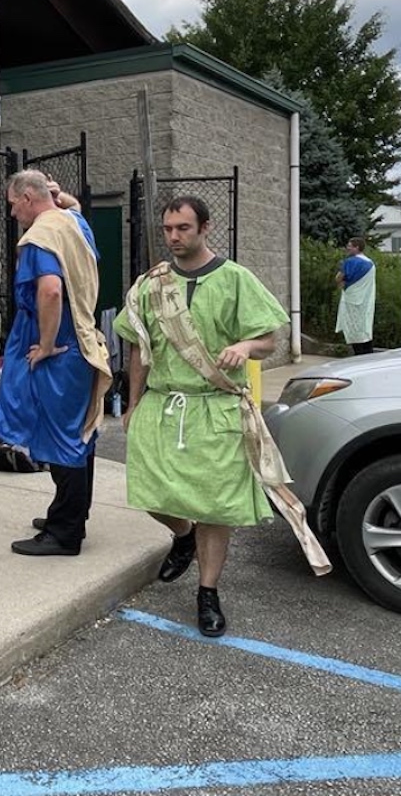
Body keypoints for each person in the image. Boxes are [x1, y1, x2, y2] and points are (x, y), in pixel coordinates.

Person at [116, 196, 327, 638]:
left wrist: (246, 347)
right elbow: (139, 347)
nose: (174, 237)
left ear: (205, 228)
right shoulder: (151, 284)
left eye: (183, 229)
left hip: (216, 405)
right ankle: (182, 535)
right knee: (150, 493)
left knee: (215, 508)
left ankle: (207, 592)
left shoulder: (235, 279)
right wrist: (133, 404)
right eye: (168, 229)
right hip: (163, 403)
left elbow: (268, 338)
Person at [0, 169, 111, 557]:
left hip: (60, 349)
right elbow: (75, 209)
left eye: (13, 204)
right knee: (80, 434)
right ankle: (71, 513)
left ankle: (64, 533)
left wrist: (43, 345)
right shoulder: (71, 223)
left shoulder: (41, 236)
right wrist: (64, 199)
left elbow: (51, 290)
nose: (12, 214)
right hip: (83, 344)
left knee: (63, 440)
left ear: (28, 198)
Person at [335, 236, 376, 355]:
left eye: (349, 245)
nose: (347, 247)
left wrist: (342, 284)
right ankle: (368, 354)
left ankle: (358, 355)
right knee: (364, 328)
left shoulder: (350, 262)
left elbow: (339, 278)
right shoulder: (370, 263)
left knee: (353, 328)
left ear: (357, 247)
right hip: (366, 301)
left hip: (351, 301)